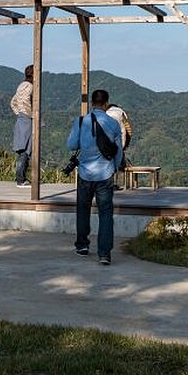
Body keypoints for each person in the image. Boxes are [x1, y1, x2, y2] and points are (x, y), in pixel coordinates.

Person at [66, 89, 124, 265]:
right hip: (105, 174)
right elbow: (118, 150)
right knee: (105, 213)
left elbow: (71, 145)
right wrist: (114, 167)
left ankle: (82, 246)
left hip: (84, 173)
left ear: (92, 103)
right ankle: (104, 253)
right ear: (106, 104)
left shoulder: (81, 121)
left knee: (83, 210)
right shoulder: (113, 123)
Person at [10, 65, 34, 186]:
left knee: (22, 149)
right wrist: (30, 115)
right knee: (25, 149)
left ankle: (21, 177)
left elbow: (13, 102)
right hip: (26, 119)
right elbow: (24, 101)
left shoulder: (21, 85)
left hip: (21, 118)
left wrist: (18, 112)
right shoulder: (29, 86)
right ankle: (20, 179)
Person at [106, 100, 133, 173]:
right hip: (119, 138)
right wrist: (125, 145)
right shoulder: (121, 113)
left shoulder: (105, 113)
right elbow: (128, 130)